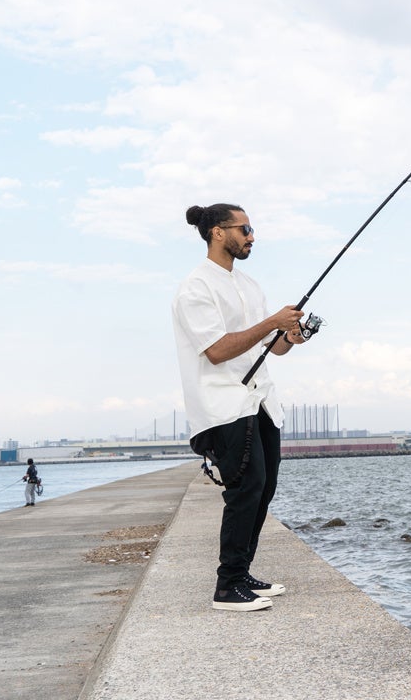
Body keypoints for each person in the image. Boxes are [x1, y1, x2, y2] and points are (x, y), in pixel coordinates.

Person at [172, 203, 310, 612]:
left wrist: (289, 336)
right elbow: (216, 351)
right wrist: (270, 323)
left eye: (252, 229)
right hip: (223, 405)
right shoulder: (195, 288)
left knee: (264, 488)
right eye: (244, 228)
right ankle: (227, 586)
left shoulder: (248, 285)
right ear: (218, 232)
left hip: (261, 401)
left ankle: (243, 571)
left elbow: (271, 350)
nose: (251, 236)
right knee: (244, 489)